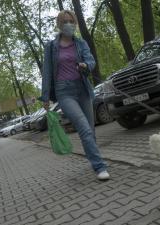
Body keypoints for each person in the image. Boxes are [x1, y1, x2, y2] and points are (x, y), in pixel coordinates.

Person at [41, 10, 110, 181]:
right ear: (59, 24)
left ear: (75, 23)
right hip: (64, 92)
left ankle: (93, 158)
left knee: (90, 131)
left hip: (82, 89)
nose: (68, 24)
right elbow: (47, 72)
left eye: (71, 21)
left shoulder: (80, 43)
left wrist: (85, 65)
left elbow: (91, 61)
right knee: (84, 128)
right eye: (64, 21)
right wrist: (45, 96)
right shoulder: (51, 47)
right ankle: (99, 166)